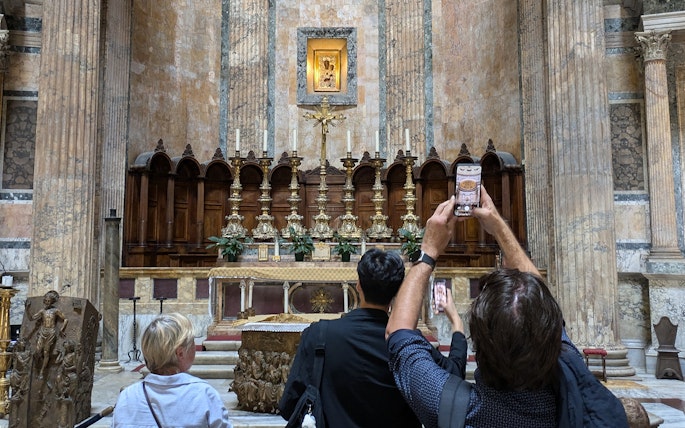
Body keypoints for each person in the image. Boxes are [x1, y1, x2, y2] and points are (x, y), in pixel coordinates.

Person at [386, 186, 628, 428]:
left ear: (477, 347)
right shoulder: (570, 372)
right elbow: (541, 301)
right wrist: (499, 227)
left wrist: (428, 250)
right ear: (550, 335)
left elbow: (398, 333)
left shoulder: (447, 403)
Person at [279, 249, 422, 428]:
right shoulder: (409, 343)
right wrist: (457, 331)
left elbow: (289, 405)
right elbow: (444, 391)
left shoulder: (318, 335)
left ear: (358, 285)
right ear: (398, 291)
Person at [112, 313, 231, 428]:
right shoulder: (204, 395)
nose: (195, 346)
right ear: (180, 353)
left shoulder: (127, 397)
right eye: (192, 341)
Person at [28, 290, 68, 379]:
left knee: (46, 352)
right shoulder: (42, 311)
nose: (46, 302)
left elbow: (65, 319)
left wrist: (62, 329)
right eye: (45, 301)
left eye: (48, 301)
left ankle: (42, 371)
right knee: (38, 350)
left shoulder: (56, 311)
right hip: (43, 331)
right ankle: (38, 366)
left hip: (51, 332)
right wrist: (27, 309)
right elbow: (31, 318)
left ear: (52, 301)